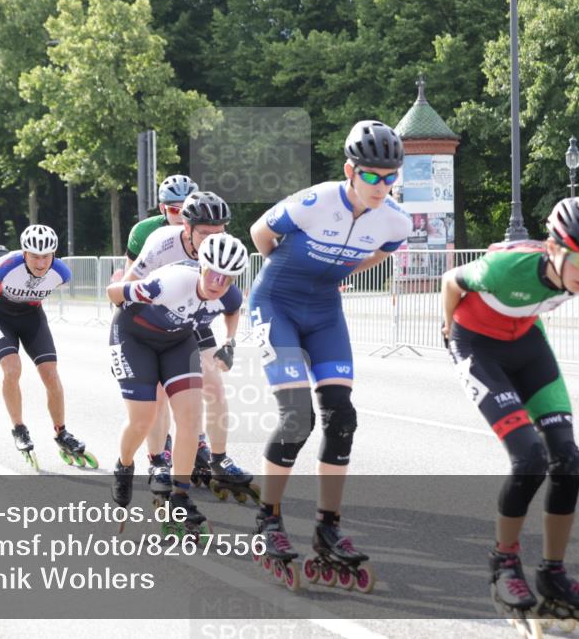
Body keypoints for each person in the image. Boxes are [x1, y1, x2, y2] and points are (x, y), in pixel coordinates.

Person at [439, 197, 579, 628]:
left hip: (526, 343)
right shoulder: (510, 269)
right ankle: (503, 562)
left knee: (569, 462)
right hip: (478, 346)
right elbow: (450, 280)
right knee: (530, 459)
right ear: (553, 247)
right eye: (578, 258)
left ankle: (553, 575)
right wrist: (448, 332)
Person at [248, 120, 412, 589]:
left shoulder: (395, 220)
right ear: (350, 171)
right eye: (372, 175)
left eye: (390, 176)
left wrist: (336, 273)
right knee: (298, 415)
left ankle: (328, 526)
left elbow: (382, 251)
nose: (382, 185)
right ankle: (268, 518)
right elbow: (260, 232)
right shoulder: (317, 200)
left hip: (324, 311)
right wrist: (288, 267)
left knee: (341, 416)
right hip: (276, 302)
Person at [106, 234, 249, 534]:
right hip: (135, 337)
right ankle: (124, 465)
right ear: (201, 266)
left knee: (190, 417)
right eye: (212, 272)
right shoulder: (169, 283)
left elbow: (234, 311)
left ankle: (180, 497)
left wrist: (230, 342)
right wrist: (127, 287)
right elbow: (113, 293)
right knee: (142, 419)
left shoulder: (228, 295)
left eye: (227, 278)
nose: (217, 283)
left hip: (177, 342)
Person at [124, 191, 253, 502]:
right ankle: (158, 460)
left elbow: (232, 301)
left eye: (219, 232)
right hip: (154, 319)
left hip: (194, 320)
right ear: (187, 227)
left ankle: (218, 458)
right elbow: (127, 287)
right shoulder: (161, 243)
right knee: (157, 395)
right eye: (205, 233)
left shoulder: (222, 250)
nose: (213, 239)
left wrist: (229, 342)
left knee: (215, 386)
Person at [0, 224, 95, 469]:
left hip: (31, 316)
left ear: (54, 254)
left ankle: (61, 432)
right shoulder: (7, 265)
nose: (41, 262)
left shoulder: (62, 272)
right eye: (34, 256)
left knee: (51, 374)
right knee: (12, 370)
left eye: (46, 256)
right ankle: (19, 428)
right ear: (24, 253)